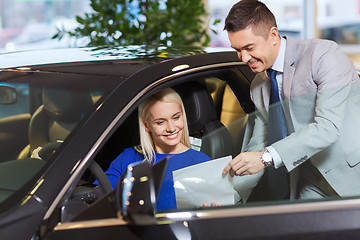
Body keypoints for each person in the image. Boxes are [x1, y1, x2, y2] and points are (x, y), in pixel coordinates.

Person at [222, 0, 360, 200]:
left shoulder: (323, 55)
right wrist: (227, 196)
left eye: (249, 47)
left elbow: (327, 127)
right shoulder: (258, 86)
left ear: (273, 35)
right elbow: (259, 145)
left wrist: (265, 157)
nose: (243, 58)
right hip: (311, 182)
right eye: (237, 50)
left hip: (353, 172)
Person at [99, 88, 211, 210]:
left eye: (176, 117)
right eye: (160, 122)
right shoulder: (128, 157)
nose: (171, 128)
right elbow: (98, 197)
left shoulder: (201, 162)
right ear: (146, 125)